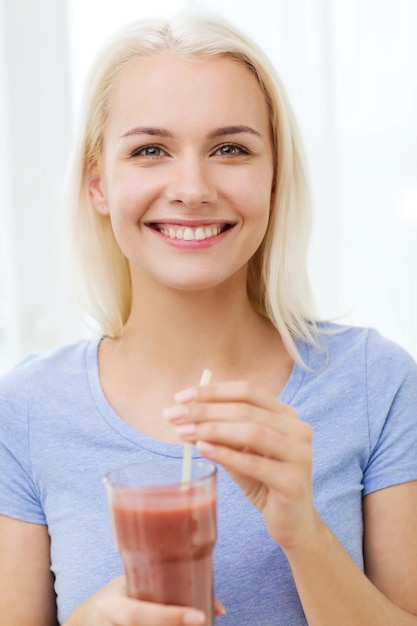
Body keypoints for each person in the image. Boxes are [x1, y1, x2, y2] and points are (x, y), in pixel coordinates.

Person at [1, 9, 417, 626]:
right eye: (149, 150)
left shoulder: (375, 382)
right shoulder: (27, 410)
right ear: (98, 183)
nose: (192, 187)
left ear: (274, 177)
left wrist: (303, 533)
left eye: (230, 148)